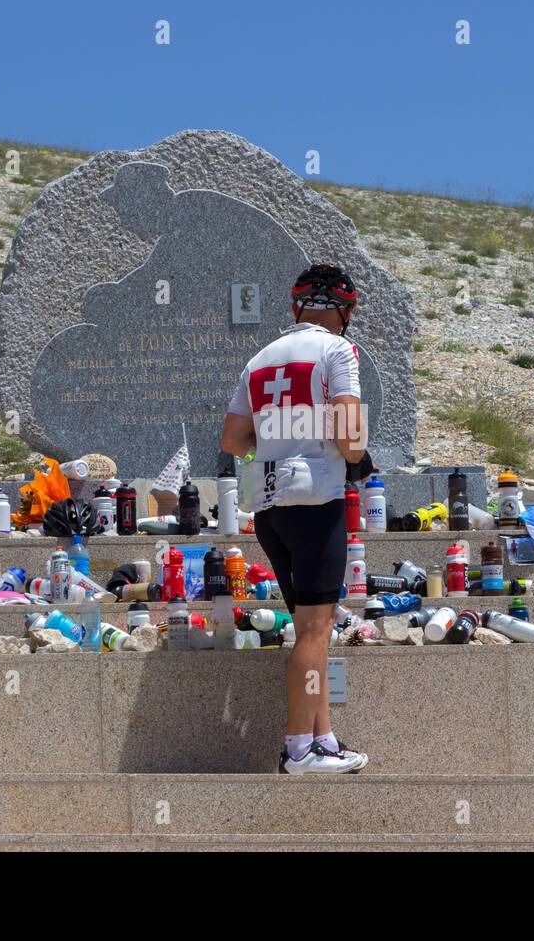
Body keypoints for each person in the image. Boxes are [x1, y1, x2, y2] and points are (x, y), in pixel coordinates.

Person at [220, 263, 375, 774]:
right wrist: (348, 448)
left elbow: (233, 441)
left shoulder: (259, 358)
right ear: (345, 311)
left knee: (315, 629)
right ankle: (298, 750)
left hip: (269, 509)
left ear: (295, 307)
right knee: (313, 630)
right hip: (317, 502)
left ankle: (323, 739)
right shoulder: (338, 351)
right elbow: (352, 440)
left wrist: (283, 433)